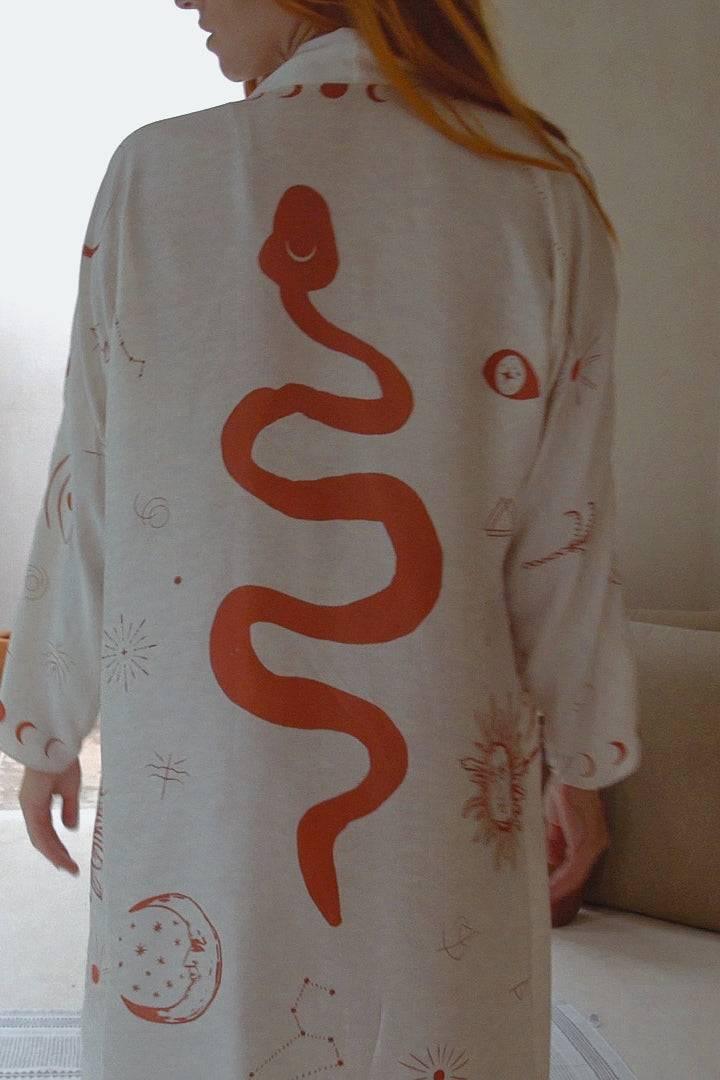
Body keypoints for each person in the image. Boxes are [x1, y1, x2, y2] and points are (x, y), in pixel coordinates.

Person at [0, 1, 642, 1077]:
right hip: (446, 762)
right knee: (429, 1007)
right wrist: (581, 754)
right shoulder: (539, 189)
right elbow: (563, 532)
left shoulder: (154, 176)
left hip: (199, 768)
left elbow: (90, 484)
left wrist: (47, 724)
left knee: (213, 1018)